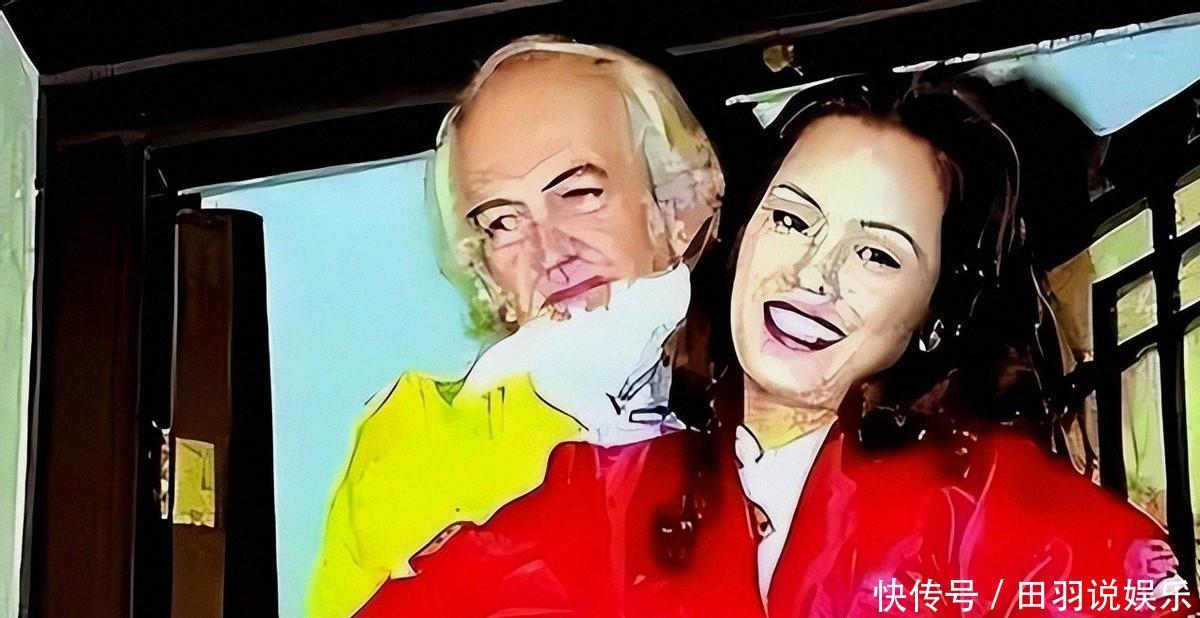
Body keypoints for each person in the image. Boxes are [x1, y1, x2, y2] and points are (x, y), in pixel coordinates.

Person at [356, 73, 1188, 617]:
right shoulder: (603, 500)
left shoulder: (1000, 511)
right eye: (791, 219)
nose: (812, 274)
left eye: (877, 254)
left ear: (934, 314)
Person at [306, 36, 723, 617]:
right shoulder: (416, 441)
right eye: (503, 222)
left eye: (580, 193)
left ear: (678, 208)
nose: (549, 252)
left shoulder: (754, 426)